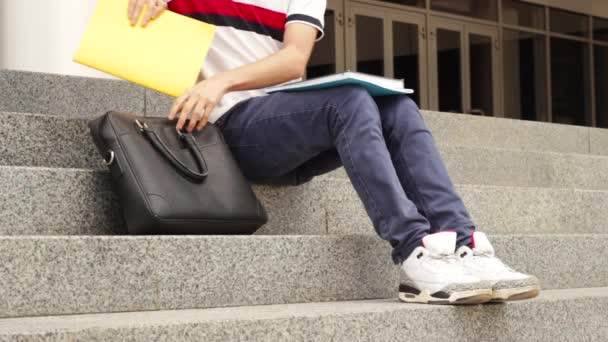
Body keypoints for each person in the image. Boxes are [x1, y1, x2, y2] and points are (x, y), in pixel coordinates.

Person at [128, 0, 540, 304]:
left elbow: (294, 60)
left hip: (284, 126)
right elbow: (125, 29)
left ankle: (466, 243)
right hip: (223, 132)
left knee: (397, 106)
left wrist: (220, 80)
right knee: (349, 100)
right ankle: (414, 249)